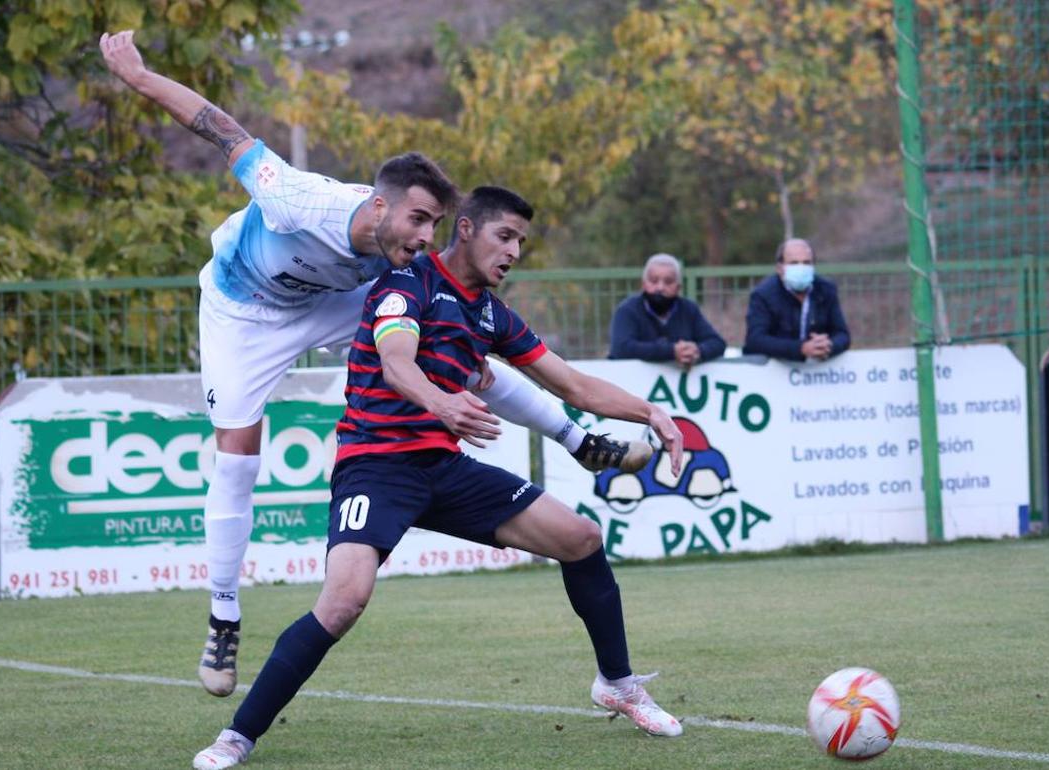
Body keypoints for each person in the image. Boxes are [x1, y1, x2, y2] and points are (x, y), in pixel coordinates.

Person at [98, 31, 652, 698]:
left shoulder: (402, 259)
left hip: (331, 301)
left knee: (459, 350)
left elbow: (447, 309)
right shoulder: (296, 198)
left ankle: (578, 438)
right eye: (420, 222)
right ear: (379, 206)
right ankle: (223, 613)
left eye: (435, 226)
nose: (427, 239)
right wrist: (138, 76)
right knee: (240, 454)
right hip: (243, 309)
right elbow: (219, 126)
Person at [191, 186, 687, 768]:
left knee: (581, 539)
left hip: (444, 469)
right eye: (506, 236)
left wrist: (651, 412)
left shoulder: (491, 314)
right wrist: (444, 405)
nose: (515, 252)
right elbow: (398, 362)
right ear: (468, 229)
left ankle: (618, 684)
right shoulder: (408, 284)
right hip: (374, 464)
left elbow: (573, 385)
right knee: (344, 602)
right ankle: (237, 737)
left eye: (522, 242)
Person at [608, 252, 726, 367]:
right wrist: (671, 351)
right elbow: (621, 348)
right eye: (654, 281)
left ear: (678, 287)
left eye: (668, 282)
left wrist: (696, 351)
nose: (660, 287)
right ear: (643, 284)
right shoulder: (627, 309)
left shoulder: (689, 309)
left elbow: (717, 343)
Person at [742, 238, 851, 362]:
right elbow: (755, 340)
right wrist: (800, 348)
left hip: (819, 375)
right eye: (794, 263)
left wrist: (828, 346)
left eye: (807, 262)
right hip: (774, 372)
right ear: (779, 268)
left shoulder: (826, 290)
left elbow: (842, 335)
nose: (801, 267)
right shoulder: (763, 295)